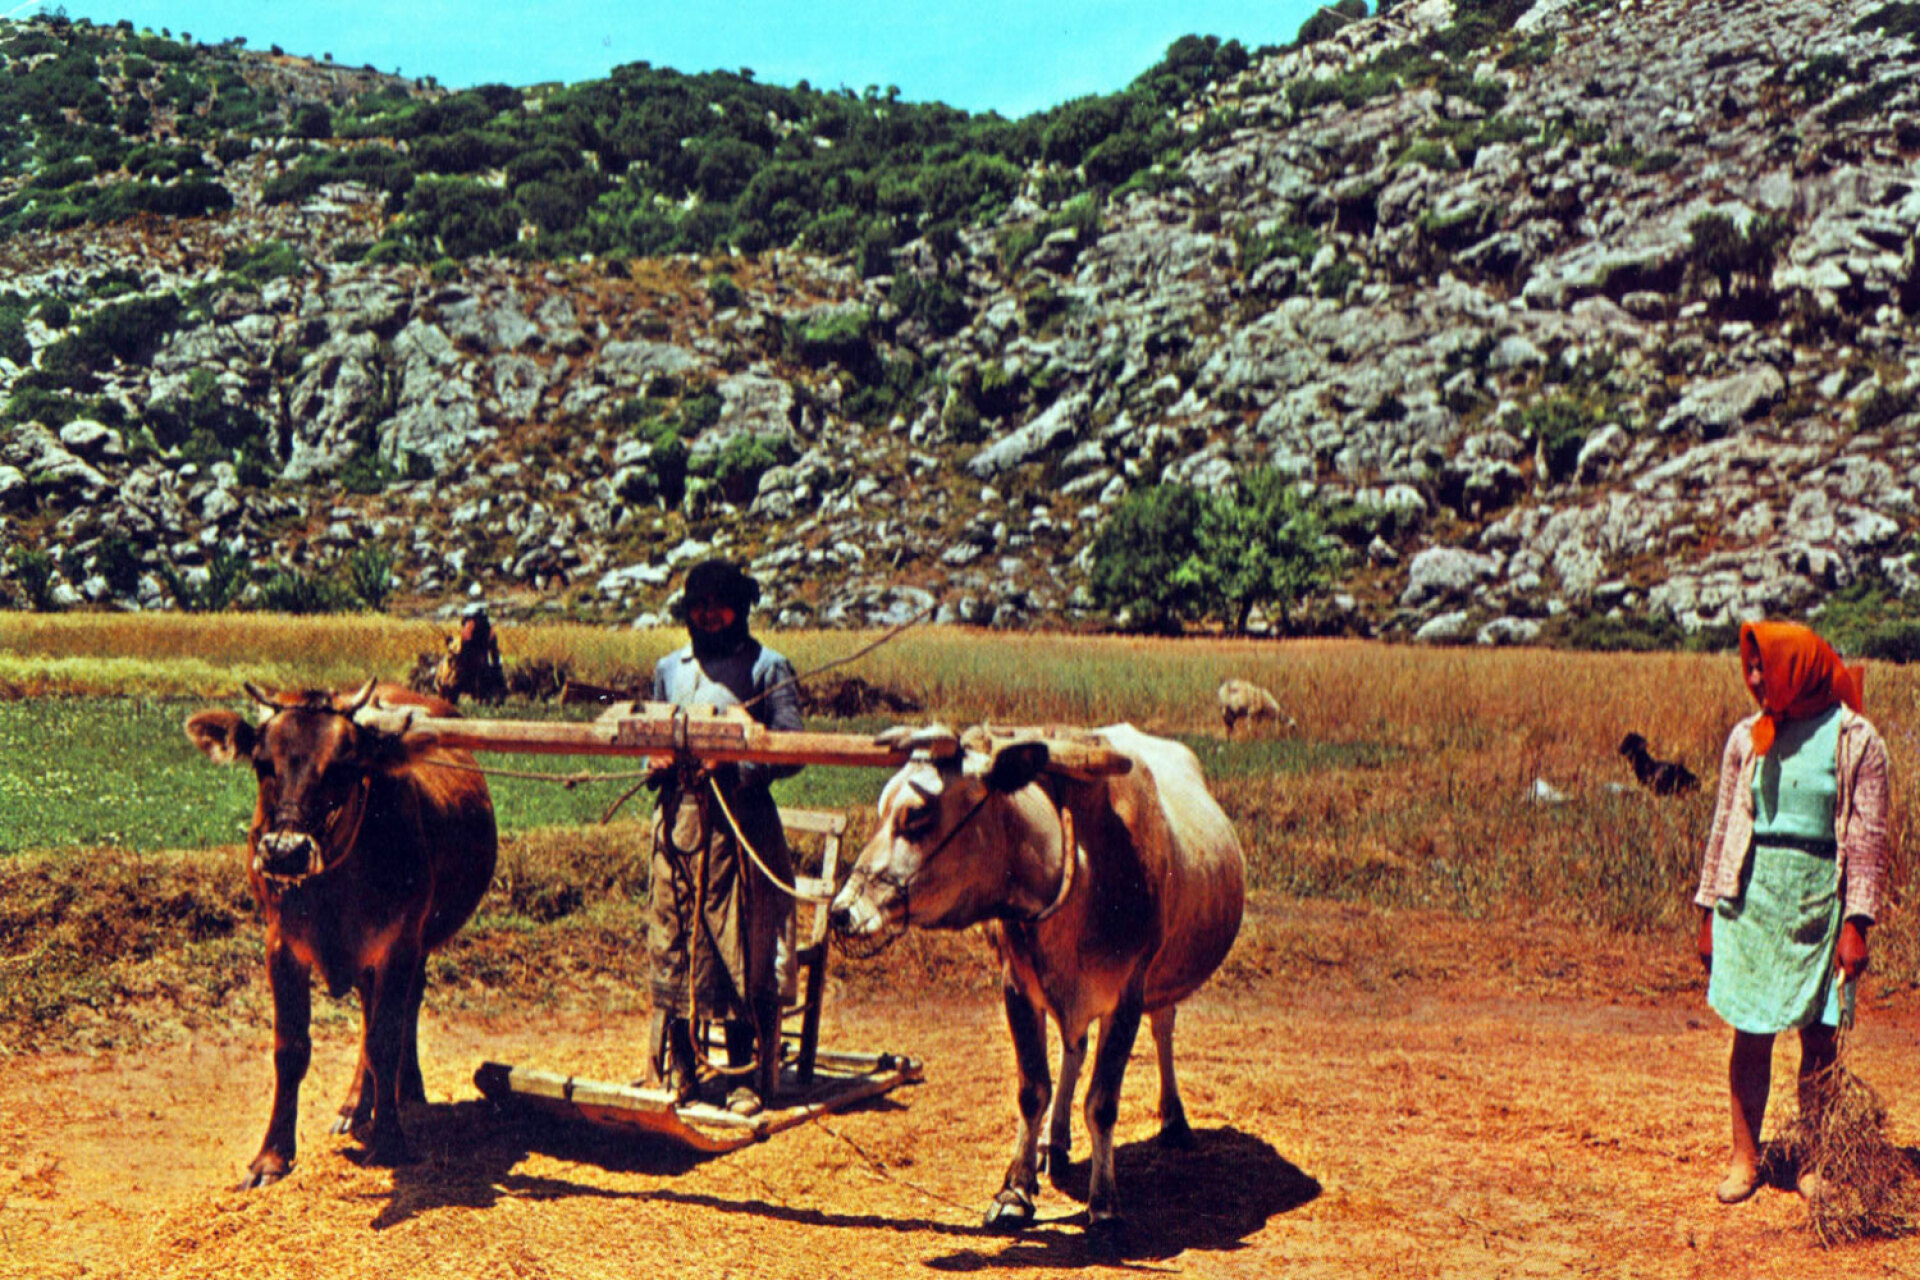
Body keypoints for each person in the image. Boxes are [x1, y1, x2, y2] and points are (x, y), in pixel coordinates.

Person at [1695, 620, 1891, 1204]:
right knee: (1750, 1035)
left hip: (1819, 903)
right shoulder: (1748, 738)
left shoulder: (1856, 740)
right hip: (1753, 900)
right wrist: (1707, 911)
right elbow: (1723, 829)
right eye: (1749, 668)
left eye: (1764, 668)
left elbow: (1867, 839)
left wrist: (1856, 925)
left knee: (1820, 1040)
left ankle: (1816, 1160)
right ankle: (1744, 1158)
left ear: (1795, 667)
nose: (1754, 680)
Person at [645, 559, 803, 1114]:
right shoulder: (670, 668)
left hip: (743, 825)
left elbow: (792, 750)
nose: (708, 615)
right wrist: (656, 758)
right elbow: (652, 733)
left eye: (719, 604)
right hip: (679, 825)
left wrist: (737, 762)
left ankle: (740, 1074)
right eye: (698, 605)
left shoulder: (768, 667)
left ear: (742, 608)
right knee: (676, 937)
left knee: (735, 943)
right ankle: (684, 1069)